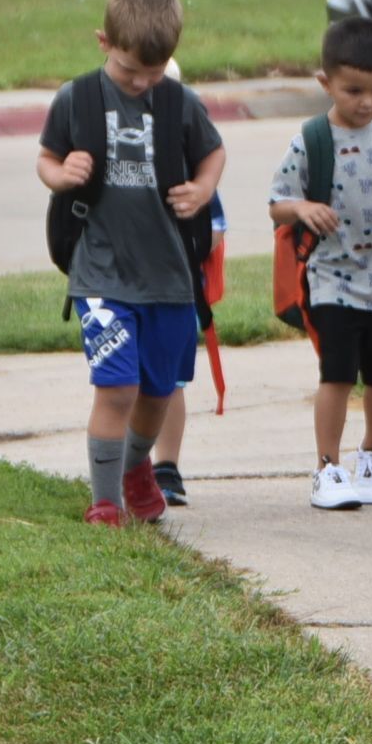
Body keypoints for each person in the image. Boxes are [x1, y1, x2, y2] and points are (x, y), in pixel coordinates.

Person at [37, 0, 225, 526]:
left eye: (156, 69)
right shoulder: (77, 98)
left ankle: (137, 467)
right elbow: (46, 158)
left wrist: (204, 189)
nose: (142, 82)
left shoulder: (179, 102)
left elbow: (213, 155)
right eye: (129, 70)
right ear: (103, 42)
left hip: (169, 278)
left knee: (158, 391)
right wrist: (61, 174)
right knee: (116, 388)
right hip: (101, 277)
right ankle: (104, 501)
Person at [269, 17, 372, 510]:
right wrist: (302, 208)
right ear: (326, 83)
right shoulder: (312, 140)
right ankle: (327, 468)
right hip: (332, 279)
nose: (367, 101)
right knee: (337, 376)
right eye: (353, 89)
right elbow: (278, 201)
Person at [151, 189, 227, 506]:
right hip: (122, 286)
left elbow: (216, 226)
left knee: (171, 382)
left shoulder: (186, 165)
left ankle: (166, 467)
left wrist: (182, 248)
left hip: (178, 289)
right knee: (126, 380)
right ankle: (131, 467)